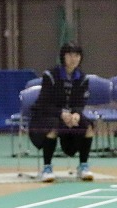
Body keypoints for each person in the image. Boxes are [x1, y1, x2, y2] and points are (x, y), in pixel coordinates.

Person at [29, 42, 95, 182]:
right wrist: (61, 113)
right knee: (53, 126)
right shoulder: (50, 75)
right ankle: (47, 168)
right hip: (45, 114)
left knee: (88, 126)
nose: (73, 59)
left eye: (77, 55)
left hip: (69, 116)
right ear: (63, 56)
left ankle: (83, 166)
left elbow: (80, 102)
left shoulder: (83, 78)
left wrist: (76, 114)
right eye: (70, 55)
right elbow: (44, 103)